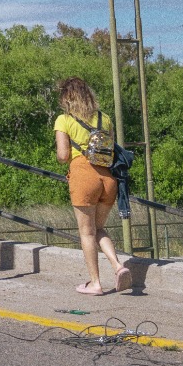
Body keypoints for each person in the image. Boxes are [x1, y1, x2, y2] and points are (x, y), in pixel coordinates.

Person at [53, 77, 132, 295]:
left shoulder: (63, 120)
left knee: (86, 233)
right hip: (108, 179)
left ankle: (95, 283)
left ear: (67, 98)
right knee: (98, 229)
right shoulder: (104, 119)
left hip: (83, 176)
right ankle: (118, 266)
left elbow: (63, 155)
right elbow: (112, 150)